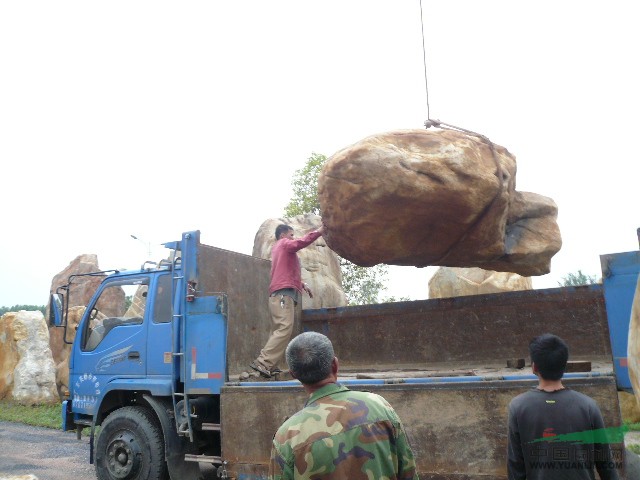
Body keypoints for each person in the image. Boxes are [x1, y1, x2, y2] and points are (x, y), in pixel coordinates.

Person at [269, 331, 419, 479]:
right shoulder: (379, 406)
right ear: (335, 365)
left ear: (294, 374)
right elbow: (408, 473)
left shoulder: (286, 437)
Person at [507, 333, 620, 479]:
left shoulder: (518, 407)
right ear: (564, 366)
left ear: (534, 367)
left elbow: (515, 466)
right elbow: (606, 464)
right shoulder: (588, 406)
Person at [250, 223, 325, 378]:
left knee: (278, 330)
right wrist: (319, 231)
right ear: (283, 235)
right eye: (291, 235)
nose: (293, 238)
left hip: (278, 295)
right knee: (284, 328)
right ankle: (263, 363)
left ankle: (271, 366)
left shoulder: (278, 250)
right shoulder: (284, 244)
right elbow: (301, 243)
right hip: (283, 295)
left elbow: (285, 273)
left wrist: (302, 285)